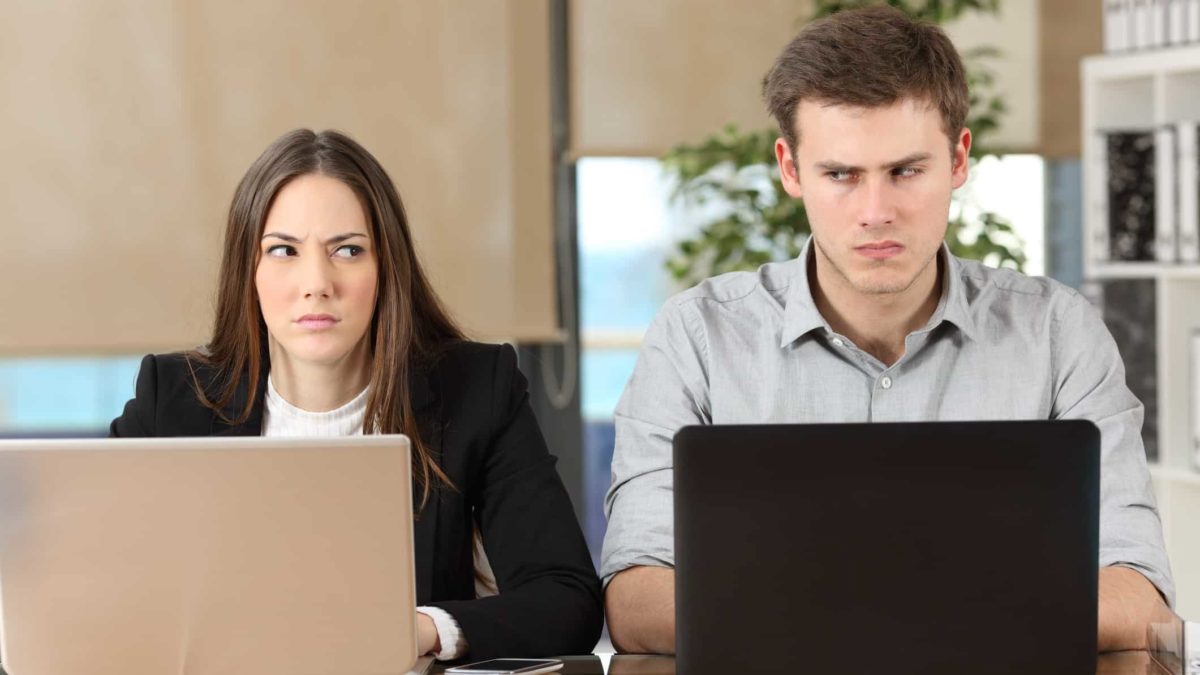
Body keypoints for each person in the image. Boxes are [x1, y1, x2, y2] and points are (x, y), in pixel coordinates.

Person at [601, 6, 1174, 655]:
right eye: (841, 174)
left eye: (906, 170)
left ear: (959, 159)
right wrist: (951, 612)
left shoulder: (1057, 331)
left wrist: (837, 613)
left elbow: (1138, 592)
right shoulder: (697, 337)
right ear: (790, 170)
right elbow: (636, 597)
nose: (876, 212)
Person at [111, 128, 603, 662]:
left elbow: (566, 601)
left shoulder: (475, 388)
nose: (317, 282)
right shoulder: (173, 398)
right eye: (283, 250)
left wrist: (415, 631)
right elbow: (85, 580)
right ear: (247, 271)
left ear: (386, 267)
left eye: (347, 250)